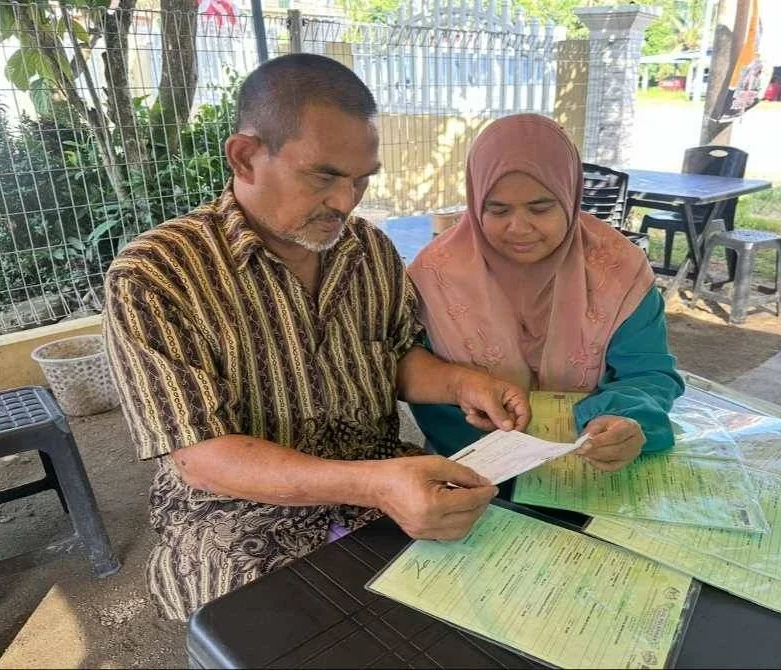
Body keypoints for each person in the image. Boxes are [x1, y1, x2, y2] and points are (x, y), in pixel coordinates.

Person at [103, 54, 530, 621]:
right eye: (324, 176)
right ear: (245, 156)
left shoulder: (369, 250)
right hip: (234, 510)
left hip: (380, 469)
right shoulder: (156, 276)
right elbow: (199, 456)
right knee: (287, 627)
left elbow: (396, 356)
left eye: (361, 180)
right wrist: (375, 486)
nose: (345, 201)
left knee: (494, 581)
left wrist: (461, 383)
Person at [408, 114, 684, 471]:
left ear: (570, 198)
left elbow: (649, 373)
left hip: (594, 467)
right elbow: (409, 370)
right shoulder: (434, 277)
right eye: (497, 209)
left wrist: (624, 420)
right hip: (472, 471)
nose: (519, 228)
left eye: (541, 208)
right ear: (476, 206)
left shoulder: (618, 272)